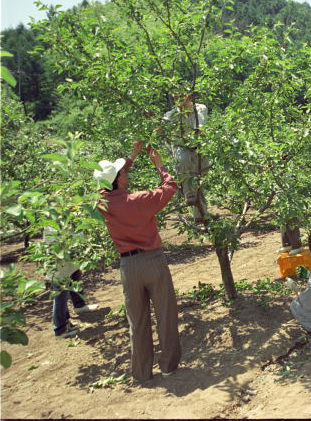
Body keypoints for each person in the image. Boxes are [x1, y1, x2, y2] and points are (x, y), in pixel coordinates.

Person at [94, 141, 181, 382]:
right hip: (153, 261)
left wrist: (129, 159)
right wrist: (160, 165)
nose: (126, 174)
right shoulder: (140, 199)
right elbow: (170, 187)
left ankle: (142, 372)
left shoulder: (103, 203)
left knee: (137, 320)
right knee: (165, 314)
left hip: (128, 267)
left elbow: (106, 186)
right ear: (120, 179)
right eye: (123, 173)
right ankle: (168, 366)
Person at [43, 227, 99, 338]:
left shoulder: (68, 216)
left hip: (70, 262)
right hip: (59, 265)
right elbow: (57, 245)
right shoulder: (51, 223)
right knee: (60, 295)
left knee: (75, 277)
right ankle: (60, 329)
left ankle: (78, 306)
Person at [162, 93, 210, 222]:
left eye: (183, 97)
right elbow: (161, 128)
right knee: (183, 162)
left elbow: (200, 128)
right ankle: (189, 195)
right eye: (177, 98)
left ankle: (201, 214)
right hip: (181, 146)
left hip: (199, 145)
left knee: (201, 177)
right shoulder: (170, 115)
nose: (180, 101)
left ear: (190, 98)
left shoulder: (200, 108)